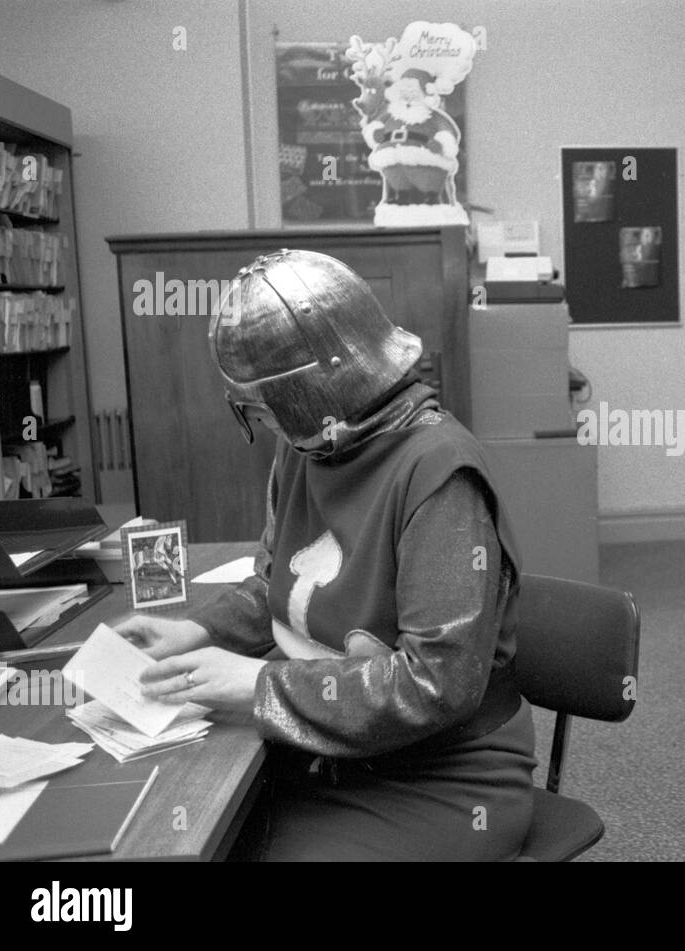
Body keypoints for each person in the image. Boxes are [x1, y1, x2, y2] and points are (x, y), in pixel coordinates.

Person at [116, 249, 536, 859]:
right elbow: (281, 591)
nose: (261, 425)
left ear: (311, 396)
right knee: (188, 826)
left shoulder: (440, 473)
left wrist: (263, 686)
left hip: (444, 776)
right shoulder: (310, 446)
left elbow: (437, 685)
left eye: (263, 408)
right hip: (333, 752)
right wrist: (197, 632)